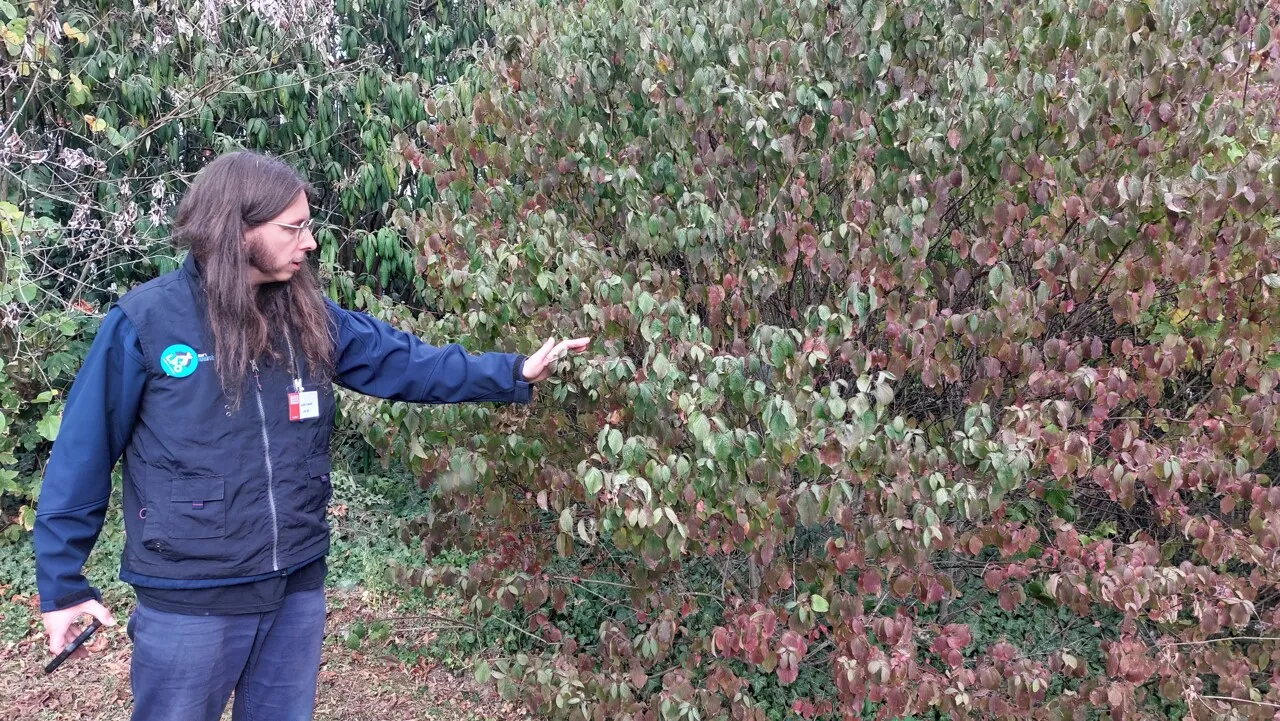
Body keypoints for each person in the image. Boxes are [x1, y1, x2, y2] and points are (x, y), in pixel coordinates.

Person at [33, 150, 589, 721]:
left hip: (295, 589)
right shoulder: (146, 323)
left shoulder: (307, 315)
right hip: (190, 602)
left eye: (308, 225)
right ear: (236, 228)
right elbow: (83, 452)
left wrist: (512, 372)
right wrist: (61, 583)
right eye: (293, 227)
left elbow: (406, 363)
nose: (310, 242)